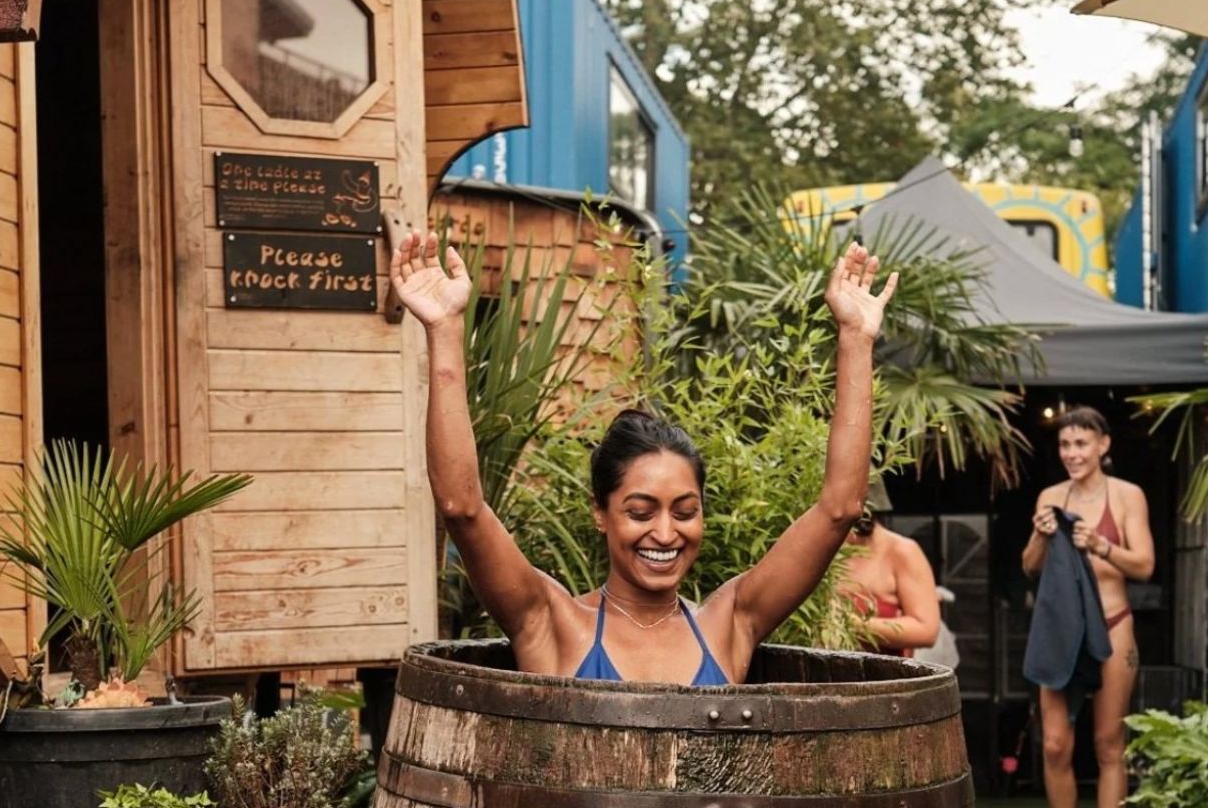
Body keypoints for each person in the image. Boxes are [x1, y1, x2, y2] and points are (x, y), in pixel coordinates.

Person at [394, 228, 895, 685]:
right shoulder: (552, 622)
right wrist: (443, 330)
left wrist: (855, 338)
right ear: (600, 513)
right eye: (639, 511)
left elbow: (840, 508)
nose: (664, 533)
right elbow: (462, 507)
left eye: (684, 511)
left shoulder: (730, 622)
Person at [1020, 408, 1155, 808]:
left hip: (1114, 624)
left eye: (1081, 443)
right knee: (1055, 744)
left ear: (1103, 445)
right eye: (1065, 445)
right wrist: (1040, 534)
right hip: (1060, 629)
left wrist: (1100, 546)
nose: (1072, 453)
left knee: (1108, 743)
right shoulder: (1051, 496)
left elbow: (1144, 565)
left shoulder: (1127, 496)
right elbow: (1030, 566)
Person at [839, 482, 939, 656]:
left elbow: (926, 630)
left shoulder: (903, 551)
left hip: (882, 677)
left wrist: (851, 624)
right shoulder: (821, 552)